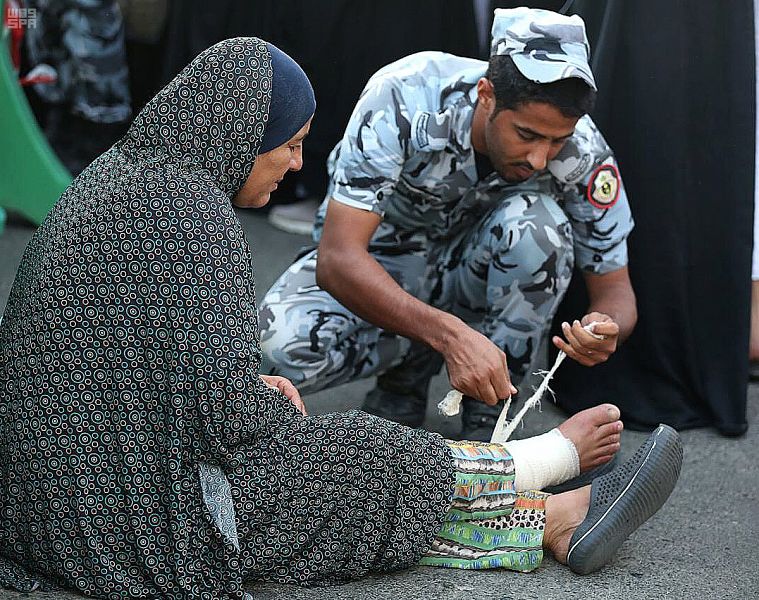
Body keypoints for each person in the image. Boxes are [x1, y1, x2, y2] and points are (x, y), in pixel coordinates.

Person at [0, 37, 680, 599]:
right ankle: (533, 467)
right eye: (289, 145)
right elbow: (228, 417)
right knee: (345, 461)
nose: (297, 163)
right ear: (240, 130)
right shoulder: (189, 215)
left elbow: (131, 365)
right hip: (111, 516)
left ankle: (552, 522)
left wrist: (239, 393)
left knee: (316, 486)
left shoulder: (130, 179)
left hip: (48, 504)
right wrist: (267, 415)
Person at [259, 7, 637, 441]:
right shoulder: (403, 96)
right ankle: (406, 372)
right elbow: (338, 259)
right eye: (527, 135)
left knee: (539, 227)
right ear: (487, 95)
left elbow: (616, 294)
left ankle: (492, 406)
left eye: (558, 141)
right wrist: (449, 336)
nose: (540, 158)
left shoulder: (585, 152)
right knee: (272, 357)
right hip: (384, 271)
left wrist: (605, 328)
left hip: (471, 279)